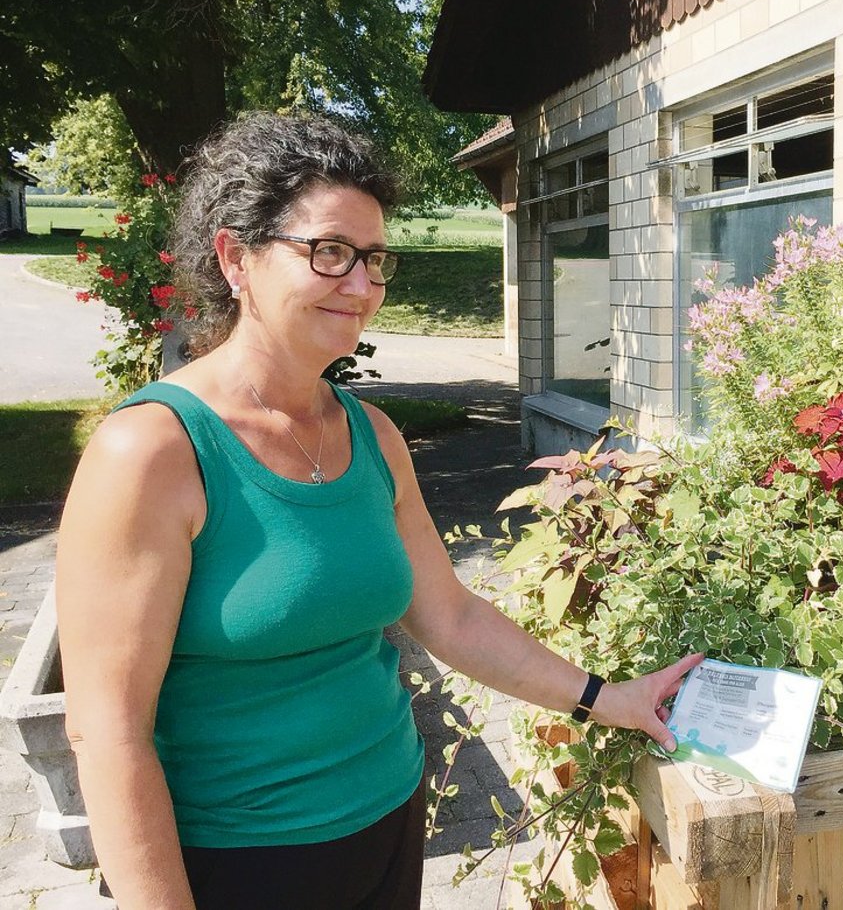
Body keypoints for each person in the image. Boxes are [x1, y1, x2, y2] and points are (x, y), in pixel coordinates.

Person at [55, 113, 702, 910]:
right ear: (234, 258)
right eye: (328, 252)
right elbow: (107, 731)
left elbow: (451, 617)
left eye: (373, 259)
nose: (361, 287)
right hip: (240, 862)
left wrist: (608, 697)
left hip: (391, 821)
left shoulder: (372, 435)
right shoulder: (152, 452)